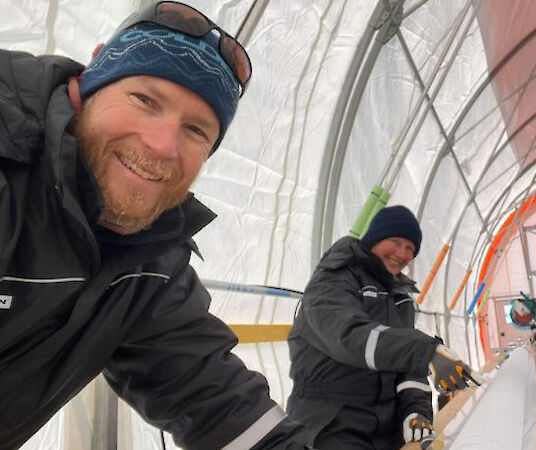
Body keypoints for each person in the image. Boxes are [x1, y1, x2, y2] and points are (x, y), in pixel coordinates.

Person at [0, 2, 310, 448]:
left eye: (196, 130)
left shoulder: (149, 265)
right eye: (145, 100)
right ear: (88, 82)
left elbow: (222, 409)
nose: (163, 145)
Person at [287, 205, 472, 449]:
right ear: (374, 238)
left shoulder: (401, 297)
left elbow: (407, 368)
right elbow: (351, 337)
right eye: (395, 242)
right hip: (330, 422)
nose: (402, 253)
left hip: (385, 425)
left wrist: (416, 411)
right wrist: (426, 351)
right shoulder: (333, 279)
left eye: (410, 248)